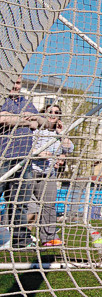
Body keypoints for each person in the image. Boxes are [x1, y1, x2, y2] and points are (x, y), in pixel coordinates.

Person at [0, 76, 43, 249]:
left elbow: (41, 121)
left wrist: (34, 119)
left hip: (24, 160)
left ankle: (20, 240)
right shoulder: (2, 97)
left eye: (17, 83)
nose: (15, 86)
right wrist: (26, 120)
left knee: (20, 203)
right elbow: (2, 119)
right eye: (12, 83)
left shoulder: (26, 102)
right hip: (2, 158)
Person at [31, 105, 73, 247]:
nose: (53, 114)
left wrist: (62, 133)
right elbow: (26, 146)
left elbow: (68, 148)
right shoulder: (36, 129)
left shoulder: (58, 134)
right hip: (29, 171)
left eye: (56, 112)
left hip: (48, 174)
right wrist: (39, 153)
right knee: (28, 208)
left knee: (48, 206)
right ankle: (15, 236)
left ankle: (49, 237)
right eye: (50, 112)